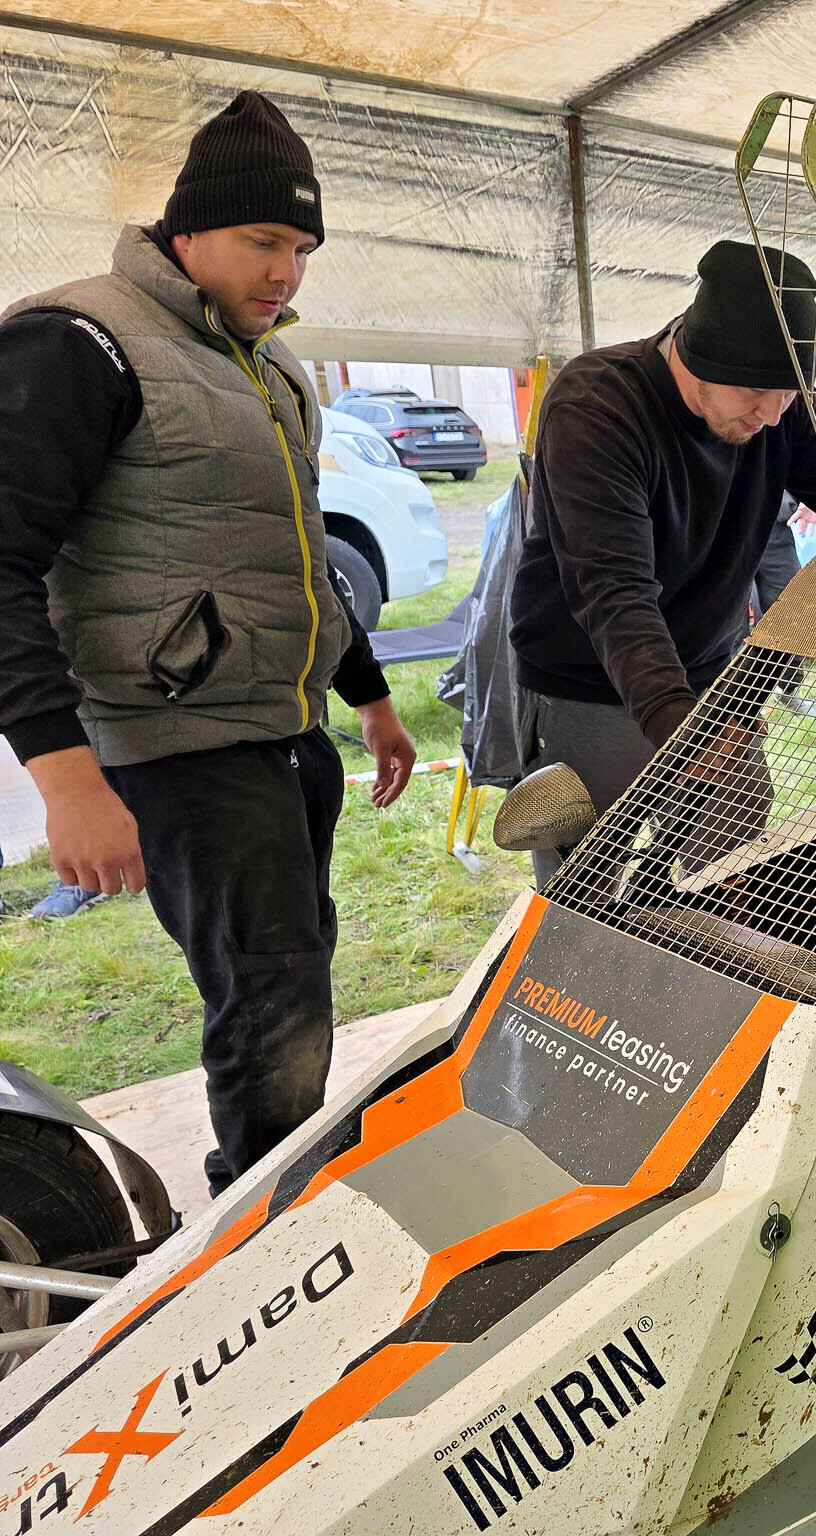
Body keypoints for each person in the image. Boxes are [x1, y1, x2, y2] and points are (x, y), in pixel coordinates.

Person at [0, 90, 417, 1196]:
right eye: (263, 241)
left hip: (286, 732)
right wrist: (65, 779)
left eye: (303, 250)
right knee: (271, 998)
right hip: (180, 744)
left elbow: (298, 554)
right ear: (185, 231)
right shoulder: (78, 339)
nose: (286, 273)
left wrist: (370, 696)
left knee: (293, 975)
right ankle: (264, 1213)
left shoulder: (268, 366)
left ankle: (274, 1186)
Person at [509, 240, 816, 881]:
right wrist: (683, 729)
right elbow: (614, 591)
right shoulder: (598, 405)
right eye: (756, 390)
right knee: (587, 882)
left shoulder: (779, 406)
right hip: (592, 676)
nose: (771, 415)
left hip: (713, 675)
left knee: (724, 866)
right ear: (697, 354)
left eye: (791, 393)